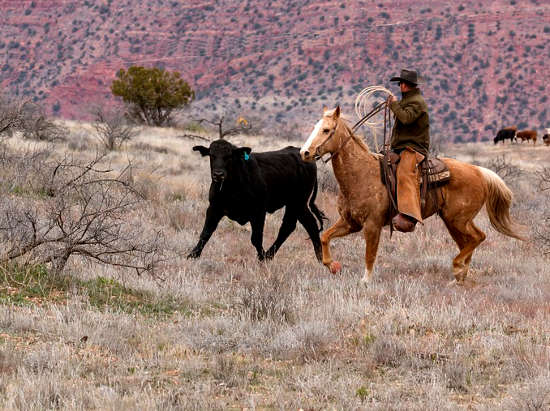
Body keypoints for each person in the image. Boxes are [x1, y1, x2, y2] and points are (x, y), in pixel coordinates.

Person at [387, 69, 430, 233]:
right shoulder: (408, 101)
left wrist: (394, 105)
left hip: (414, 148)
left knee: (405, 173)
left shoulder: (417, 102)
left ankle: (409, 216)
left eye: (400, 83)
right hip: (401, 147)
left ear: (405, 85)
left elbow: (405, 118)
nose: (399, 86)